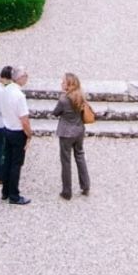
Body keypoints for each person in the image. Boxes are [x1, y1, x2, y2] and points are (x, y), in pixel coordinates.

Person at [52, 72, 91, 200]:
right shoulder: (81, 96)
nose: (61, 83)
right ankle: (85, 185)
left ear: (68, 84)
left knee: (66, 161)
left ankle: (67, 191)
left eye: (63, 82)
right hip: (79, 130)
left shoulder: (63, 99)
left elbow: (55, 113)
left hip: (66, 133)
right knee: (80, 156)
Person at [0, 66, 32, 205]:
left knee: (7, 161)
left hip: (7, 129)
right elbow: (24, 120)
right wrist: (29, 134)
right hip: (18, 132)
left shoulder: (6, 90)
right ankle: (14, 195)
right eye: (25, 76)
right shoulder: (19, 96)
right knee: (16, 164)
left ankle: (5, 191)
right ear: (20, 78)